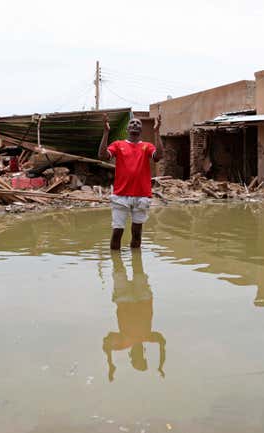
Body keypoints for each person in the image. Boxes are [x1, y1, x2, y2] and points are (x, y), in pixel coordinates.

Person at [98, 114, 164, 250]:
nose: (135, 124)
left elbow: (159, 156)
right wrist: (106, 132)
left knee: (137, 234)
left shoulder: (147, 146)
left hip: (141, 196)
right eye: (132, 123)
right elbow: (102, 156)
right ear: (127, 128)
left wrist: (157, 132)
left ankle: (137, 269)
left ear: (141, 130)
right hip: (120, 196)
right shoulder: (118, 144)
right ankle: (117, 270)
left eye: (138, 123)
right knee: (117, 233)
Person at [102, 250, 166, 382]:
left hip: (141, 298)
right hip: (125, 299)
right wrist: (110, 364)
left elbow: (162, 342)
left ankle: (123, 248)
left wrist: (161, 365)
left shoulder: (146, 337)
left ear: (143, 352)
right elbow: (106, 344)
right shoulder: (124, 342)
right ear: (131, 355)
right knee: (119, 268)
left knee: (137, 268)